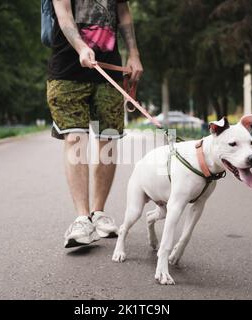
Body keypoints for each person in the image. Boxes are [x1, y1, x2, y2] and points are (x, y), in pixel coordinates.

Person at [47, 0, 143, 248]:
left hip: (109, 69)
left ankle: (98, 213)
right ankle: (82, 219)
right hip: (67, 70)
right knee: (74, 138)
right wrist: (80, 46)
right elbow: (64, 15)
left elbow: (122, 11)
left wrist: (134, 54)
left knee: (107, 139)